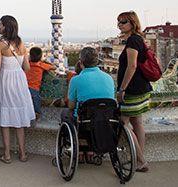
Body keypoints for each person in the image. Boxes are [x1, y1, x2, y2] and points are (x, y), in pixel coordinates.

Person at [0, 15, 35, 164]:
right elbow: (27, 67)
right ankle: (23, 154)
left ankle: (7, 155)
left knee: (6, 118)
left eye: (0, 25)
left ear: (5, 27)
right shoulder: (21, 43)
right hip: (19, 81)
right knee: (19, 118)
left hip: (6, 81)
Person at [62, 47, 115, 163]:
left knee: (66, 113)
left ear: (81, 63)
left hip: (85, 122)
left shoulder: (76, 80)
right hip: (106, 119)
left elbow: (71, 106)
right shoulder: (109, 78)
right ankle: (92, 150)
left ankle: (78, 148)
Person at [116, 11, 152, 172]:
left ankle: (141, 160)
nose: (119, 24)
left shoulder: (132, 41)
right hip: (142, 87)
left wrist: (122, 89)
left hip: (133, 89)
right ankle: (139, 159)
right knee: (137, 122)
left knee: (123, 123)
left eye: (123, 22)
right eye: (118, 22)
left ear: (132, 23)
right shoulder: (139, 39)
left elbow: (132, 66)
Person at [26, 47, 56, 116]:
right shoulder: (41, 65)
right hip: (34, 88)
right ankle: (37, 113)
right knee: (36, 100)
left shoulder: (27, 64)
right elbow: (54, 67)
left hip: (25, 87)